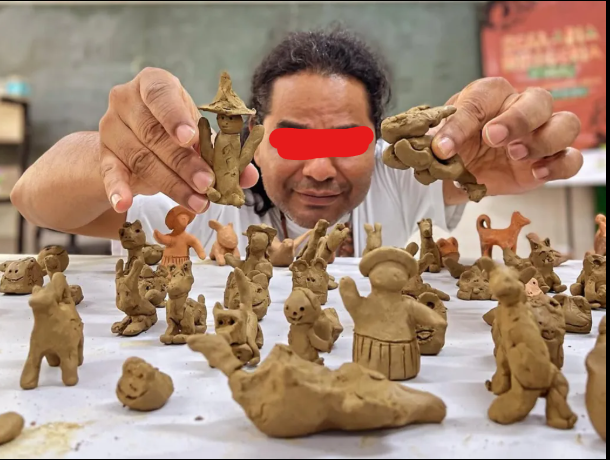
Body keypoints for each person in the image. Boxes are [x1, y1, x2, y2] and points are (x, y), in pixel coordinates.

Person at [11, 28, 583, 257]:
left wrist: (502, 148)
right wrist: (110, 156)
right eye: (294, 141)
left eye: (348, 140)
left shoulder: (401, 176)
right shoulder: (198, 189)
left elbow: (469, 167)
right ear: (255, 139)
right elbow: (31, 199)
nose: (320, 169)